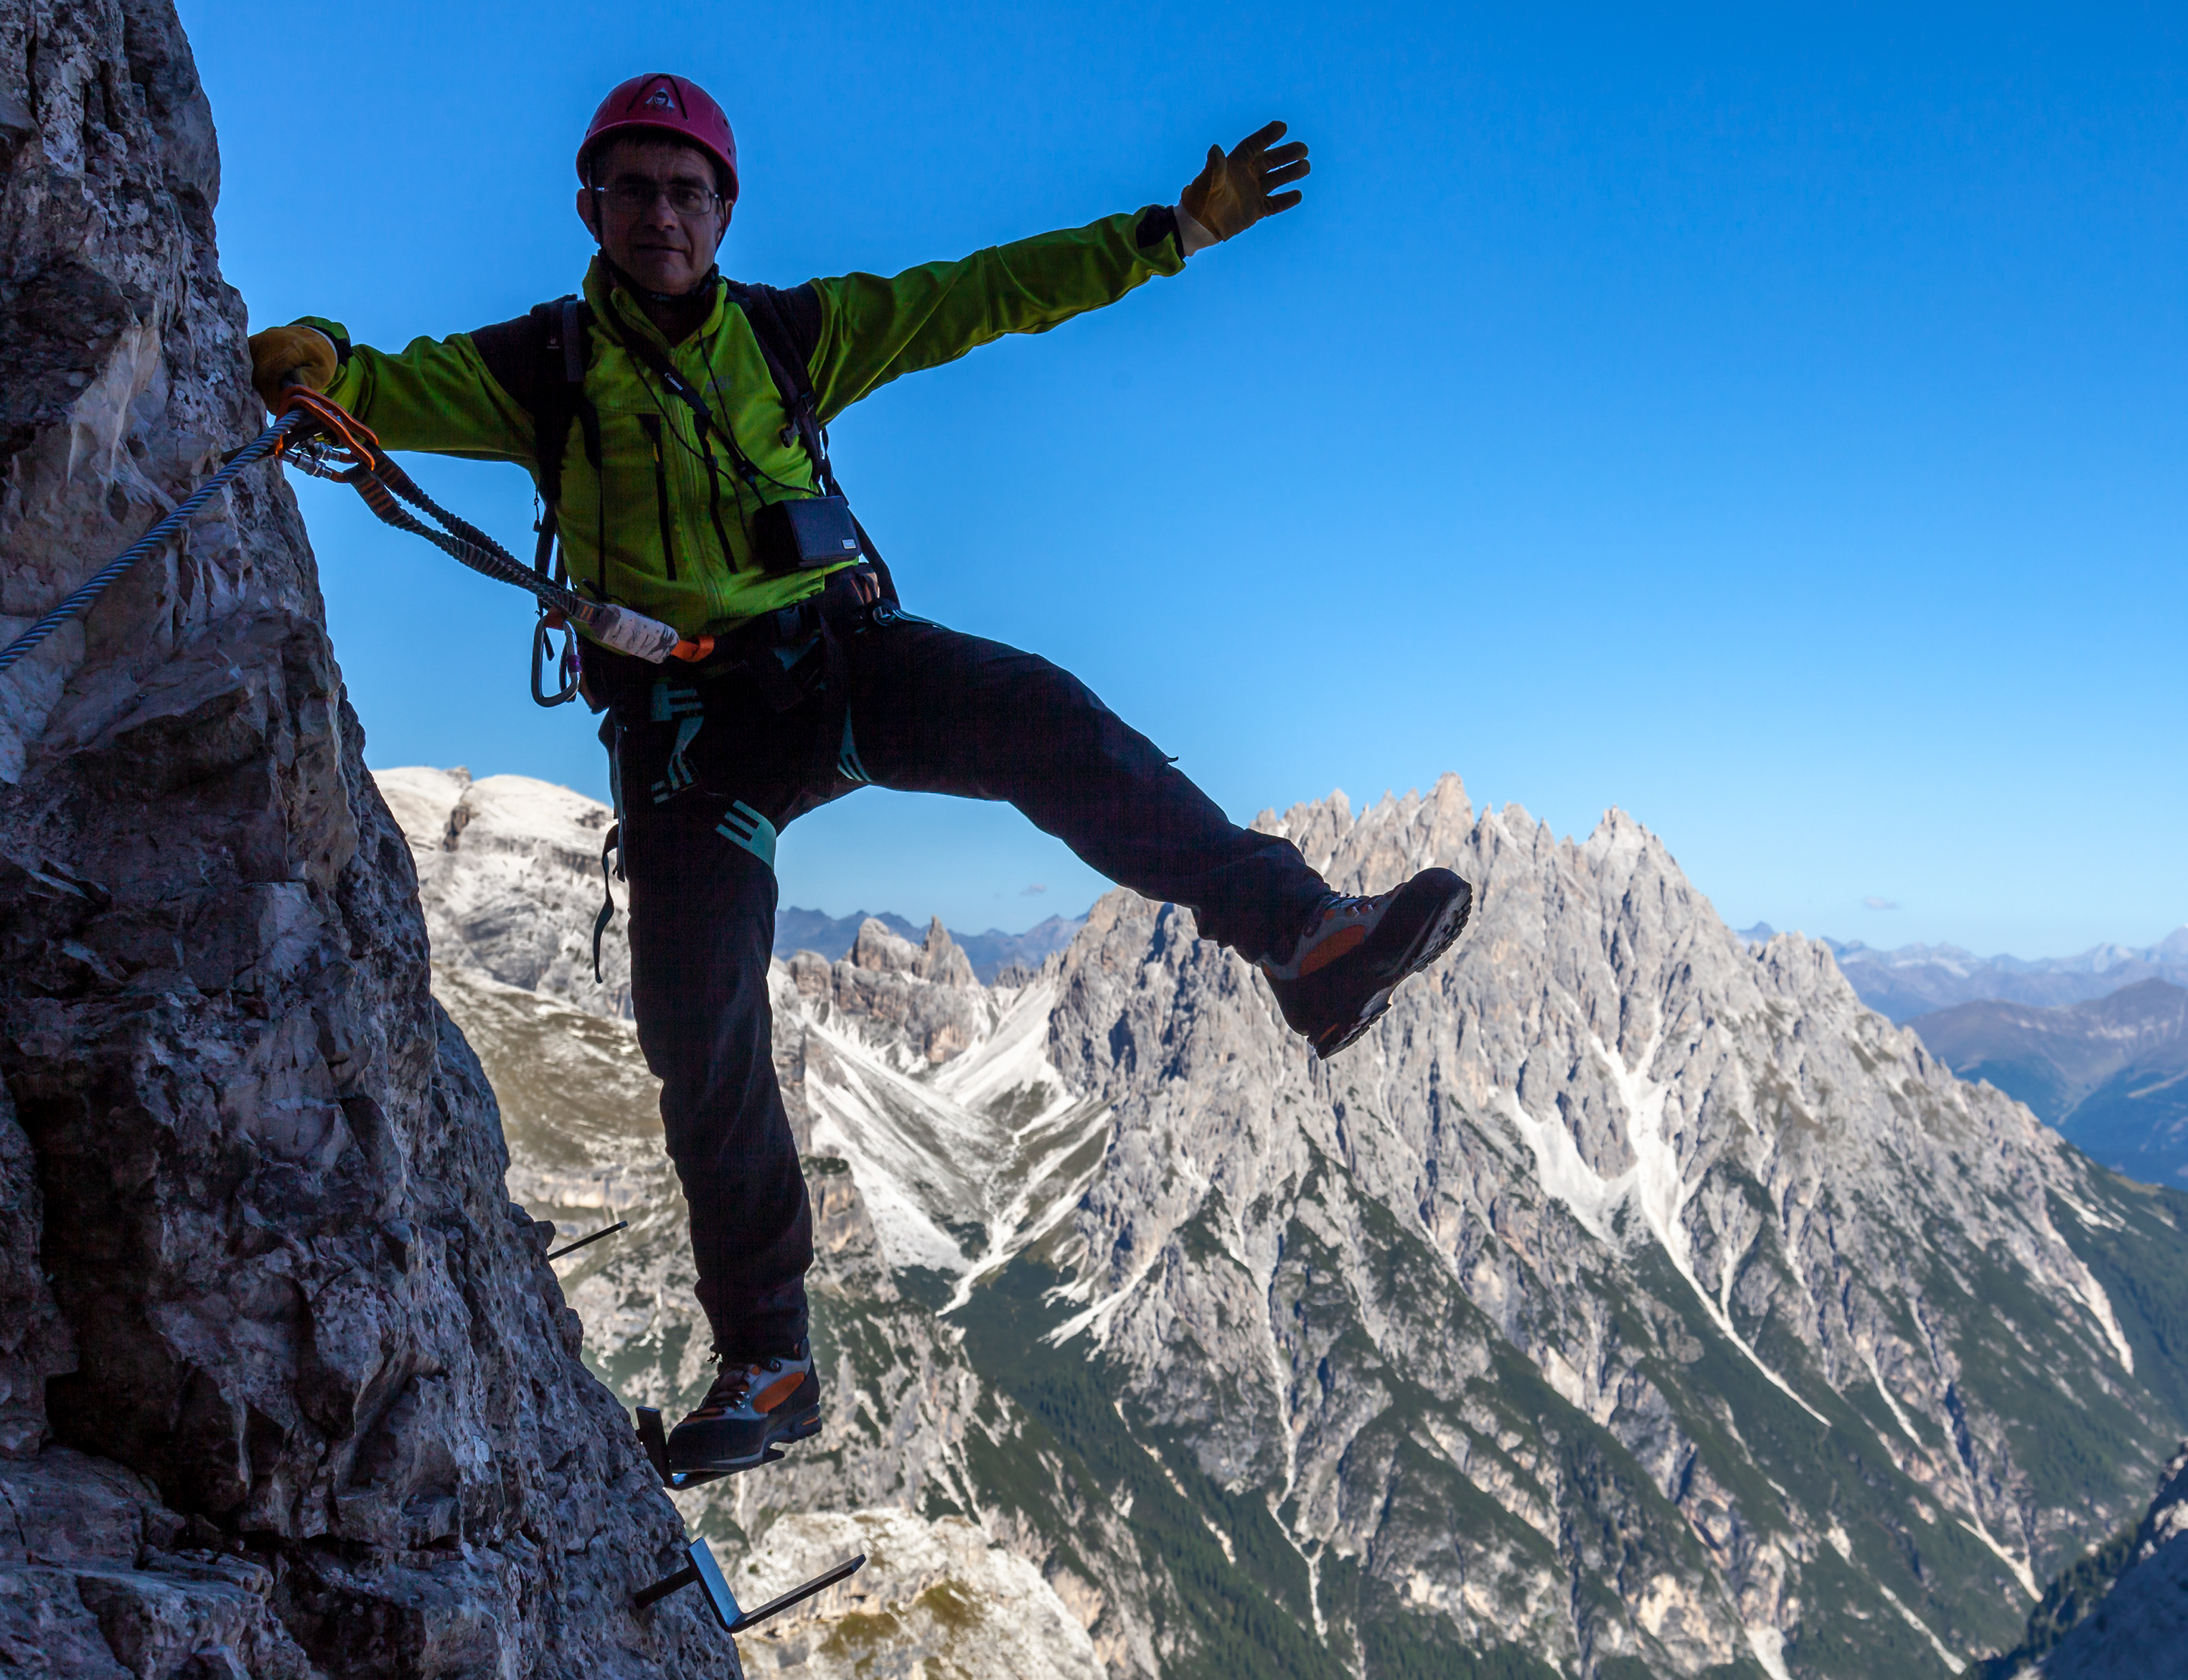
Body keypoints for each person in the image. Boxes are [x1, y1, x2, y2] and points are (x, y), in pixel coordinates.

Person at [245, 73, 1473, 1478]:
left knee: (1040, 713)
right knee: (699, 1027)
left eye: (686, 189)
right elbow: (379, 384)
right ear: (590, 207)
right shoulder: (543, 366)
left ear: (725, 210)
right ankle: (768, 1356)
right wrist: (322, 355)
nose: (663, 214)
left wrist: (1173, 232)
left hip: (835, 660)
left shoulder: (791, 333)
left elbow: (977, 294)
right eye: (635, 188)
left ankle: (1305, 935)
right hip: (690, 735)